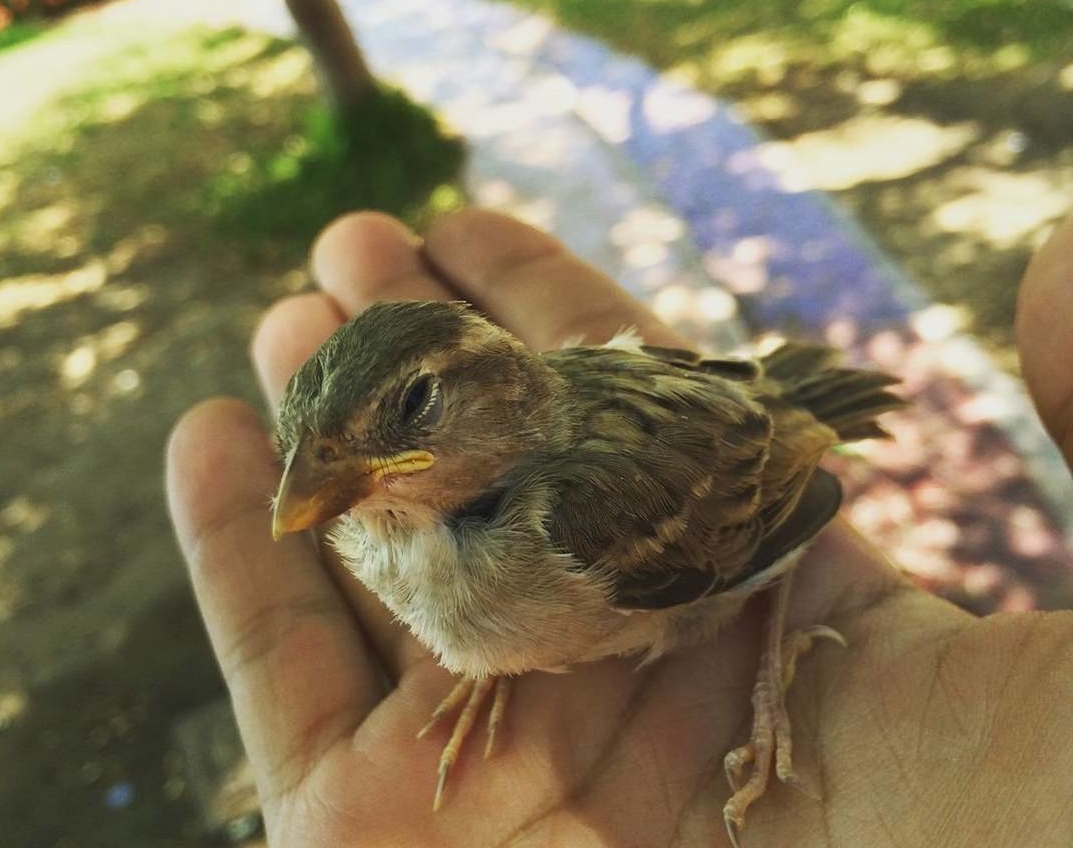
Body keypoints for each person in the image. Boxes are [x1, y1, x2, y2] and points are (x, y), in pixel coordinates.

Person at [166, 208, 1073, 847]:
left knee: (731, 582)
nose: (319, 491)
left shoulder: (583, 518)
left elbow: (757, 517)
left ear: (499, 390)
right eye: (310, 459)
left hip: (746, 457)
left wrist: (774, 685)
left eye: (414, 406)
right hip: (689, 408)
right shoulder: (369, 521)